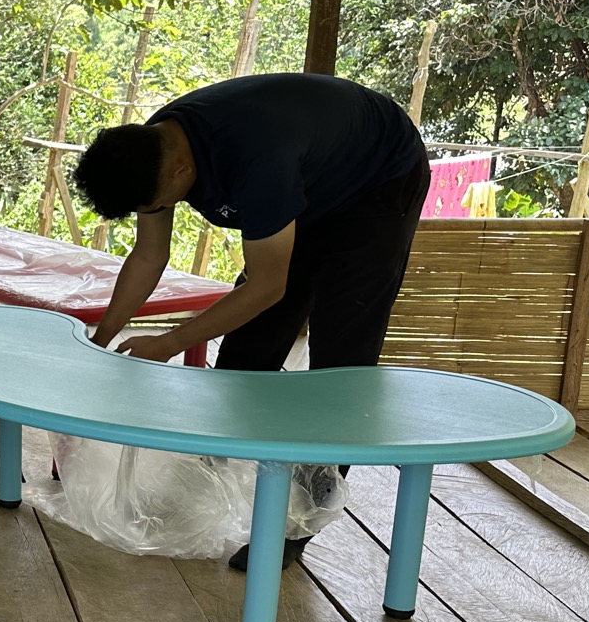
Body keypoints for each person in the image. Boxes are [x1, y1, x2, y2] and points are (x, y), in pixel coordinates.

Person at [70, 71, 430, 567]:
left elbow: (268, 286)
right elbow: (150, 254)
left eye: (155, 206)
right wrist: (103, 336)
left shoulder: (255, 159)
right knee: (245, 352)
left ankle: (299, 522)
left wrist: (169, 342)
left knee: (340, 361)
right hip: (310, 175)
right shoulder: (152, 147)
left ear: (178, 172)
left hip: (378, 177)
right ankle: (207, 480)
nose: (156, 212)